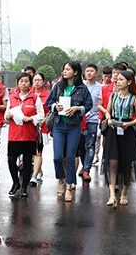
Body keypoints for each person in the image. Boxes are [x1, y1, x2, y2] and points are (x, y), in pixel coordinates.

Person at [46, 61, 92, 202]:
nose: (64, 72)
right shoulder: (58, 86)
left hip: (74, 126)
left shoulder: (82, 88)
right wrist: (55, 107)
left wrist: (77, 109)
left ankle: (68, 186)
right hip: (59, 125)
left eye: (67, 69)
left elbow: (89, 104)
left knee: (71, 157)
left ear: (76, 72)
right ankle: (61, 180)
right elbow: (49, 103)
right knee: (57, 157)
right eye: (63, 69)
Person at [103, 70, 136, 207]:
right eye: (117, 79)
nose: (117, 81)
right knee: (112, 162)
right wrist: (109, 119)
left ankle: (124, 193)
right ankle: (111, 195)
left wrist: (129, 124)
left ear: (129, 82)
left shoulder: (135, 99)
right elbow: (107, 112)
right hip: (113, 130)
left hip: (127, 132)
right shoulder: (113, 96)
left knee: (127, 163)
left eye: (121, 79)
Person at [5, 72, 44, 197]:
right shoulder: (12, 98)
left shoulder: (34, 98)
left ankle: (24, 187)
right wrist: (8, 116)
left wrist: (31, 118)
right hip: (14, 135)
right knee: (11, 160)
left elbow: (41, 115)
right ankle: (15, 182)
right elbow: (6, 117)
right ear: (17, 83)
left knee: (27, 162)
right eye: (21, 81)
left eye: (26, 81)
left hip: (29, 135)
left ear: (30, 83)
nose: (23, 84)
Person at [79, 63, 102, 182]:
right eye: (87, 71)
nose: (89, 73)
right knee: (81, 146)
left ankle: (87, 169)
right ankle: (84, 165)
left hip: (93, 120)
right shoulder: (80, 87)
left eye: (91, 71)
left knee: (90, 145)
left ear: (96, 73)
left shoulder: (100, 87)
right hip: (80, 120)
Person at [30, 72, 50, 185]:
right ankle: (39, 169)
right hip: (30, 126)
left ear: (43, 82)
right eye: (35, 80)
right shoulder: (29, 94)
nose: (37, 82)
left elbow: (51, 111)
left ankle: (34, 175)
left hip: (42, 127)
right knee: (33, 152)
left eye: (39, 80)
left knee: (38, 152)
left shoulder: (47, 95)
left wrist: (44, 120)